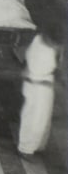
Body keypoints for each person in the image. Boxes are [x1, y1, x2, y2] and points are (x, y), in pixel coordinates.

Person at [18, 26, 61, 155]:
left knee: (43, 118)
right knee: (34, 118)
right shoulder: (39, 43)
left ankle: (38, 145)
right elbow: (33, 65)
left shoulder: (46, 43)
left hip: (43, 85)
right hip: (36, 85)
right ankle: (25, 148)